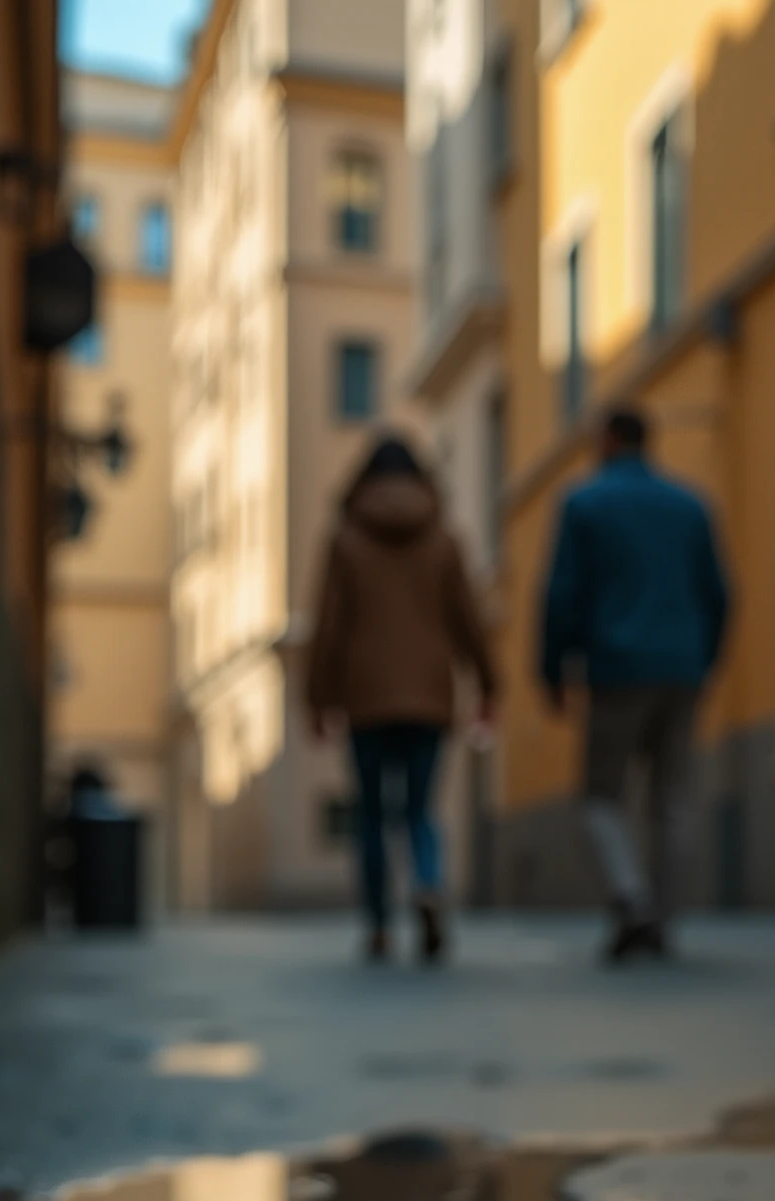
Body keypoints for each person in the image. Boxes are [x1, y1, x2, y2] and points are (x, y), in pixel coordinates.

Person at [541, 406, 730, 961]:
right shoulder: (692, 506)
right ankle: (663, 920)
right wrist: (706, 659)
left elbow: (561, 596)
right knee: (673, 798)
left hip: (616, 668)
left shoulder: (584, 503)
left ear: (609, 440)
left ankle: (630, 897)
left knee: (602, 797)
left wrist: (553, 669)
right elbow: (719, 594)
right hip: (682, 667)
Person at [307, 436, 497, 962]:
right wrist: (487, 684)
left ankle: (378, 926)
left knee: (371, 813)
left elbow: (328, 624)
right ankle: (429, 885)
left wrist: (317, 700)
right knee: (420, 810)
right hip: (430, 697)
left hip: (365, 696)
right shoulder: (444, 539)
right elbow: (468, 620)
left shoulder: (345, 539)